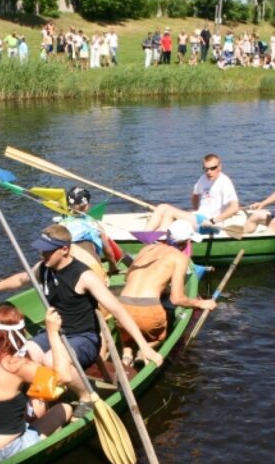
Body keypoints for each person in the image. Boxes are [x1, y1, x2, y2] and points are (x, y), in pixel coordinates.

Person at [0, 225, 163, 398]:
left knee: (51, 359)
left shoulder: (84, 276)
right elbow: (21, 279)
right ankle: (37, 397)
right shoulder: (44, 268)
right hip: (53, 333)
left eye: (47, 251)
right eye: (41, 251)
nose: (42, 255)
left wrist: (143, 346)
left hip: (84, 337)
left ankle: (86, 395)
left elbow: (118, 310)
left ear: (64, 249)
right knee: (21, 356)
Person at [0, 305, 73, 464]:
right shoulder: (17, 366)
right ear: (21, 334)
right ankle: (45, 450)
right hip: (2, 455)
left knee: (28, 405)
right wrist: (52, 333)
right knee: (64, 408)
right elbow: (64, 376)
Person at [117, 219, 215, 364]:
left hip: (122, 308)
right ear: (187, 241)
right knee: (161, 335)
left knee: (127, 331)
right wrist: (201, 303)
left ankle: (126, 352)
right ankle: (145, 349)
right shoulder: (180, 258)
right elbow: (177, 299)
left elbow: (127, 277)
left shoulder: (146, 249)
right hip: (147, 314)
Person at [144, 153, 241, 232]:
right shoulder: (203, 178)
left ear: (219, 167)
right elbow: (195, 194)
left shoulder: (224, 182)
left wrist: (214, 220)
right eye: (206, 169)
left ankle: (160, 238)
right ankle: (145, 235)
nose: (209, 172)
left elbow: (235, 207)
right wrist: (196, 210)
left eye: (213, 168)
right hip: (198, 217)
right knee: (162, 207)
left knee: (170, 212)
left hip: (209, 224)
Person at [59, 187, 120, 276]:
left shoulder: (62, 224)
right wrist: (112, 266)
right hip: (93, 265)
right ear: (87, 206)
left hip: (70, 268)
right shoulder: (93, 224)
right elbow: (108, 250)